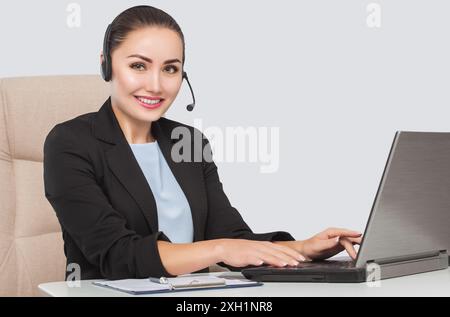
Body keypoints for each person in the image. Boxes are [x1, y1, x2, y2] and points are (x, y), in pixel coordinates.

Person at [43, 5, 362, 280]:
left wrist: (302, 248)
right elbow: (117, 254)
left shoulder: (188, 141)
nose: (155, 85)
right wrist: (222, 250)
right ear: (106, 64)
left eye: (170, 69)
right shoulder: (69, 143)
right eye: (139, 65)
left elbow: (231, 237)